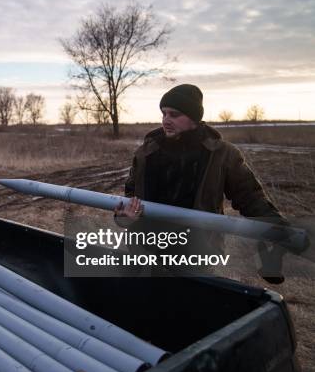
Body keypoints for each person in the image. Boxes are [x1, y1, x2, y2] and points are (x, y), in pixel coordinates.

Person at [114, 83, 288, 282]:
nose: (166, 121)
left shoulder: (222, 154)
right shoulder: (146, 152)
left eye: (174, 114)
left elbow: (249, 196)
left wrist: (277, 227)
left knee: (189, 308)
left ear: (194, 118)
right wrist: (125, 216)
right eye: (164, 114)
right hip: (145, 249)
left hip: (195, 253)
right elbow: (131, 196)